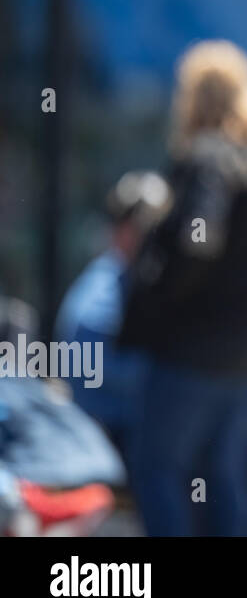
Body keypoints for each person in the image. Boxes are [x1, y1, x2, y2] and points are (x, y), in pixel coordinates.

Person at [118, 41, 247, 537]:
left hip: (190, 353)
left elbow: (199, 239)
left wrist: (157, 292)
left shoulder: (210, 158)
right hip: (243, 358)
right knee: (222, 476)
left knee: (156, 470)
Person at [54, 170, 172, 457]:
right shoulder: (103, 289)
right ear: (123, 232)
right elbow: (83, 362)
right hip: (109, 440)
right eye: (150, 227)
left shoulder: (152, 280)